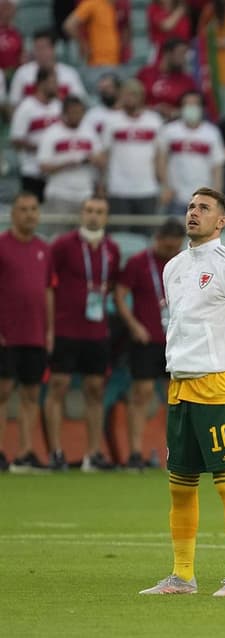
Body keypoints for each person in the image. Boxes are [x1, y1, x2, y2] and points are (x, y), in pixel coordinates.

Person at [138, 187, 225, 597]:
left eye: (204, 208)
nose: (194, 213)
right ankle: (182, 575)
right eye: (191, 206)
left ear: (221, 221)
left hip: (218, 382)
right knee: (180, 484)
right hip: (180, 385)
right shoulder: (173, 267)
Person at [46, 197, 121, 472]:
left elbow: (111, 283)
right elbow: (48, 285)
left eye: (99, 212)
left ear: (106, 216)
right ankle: (55, 452)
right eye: (89, 210)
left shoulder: (111, 249)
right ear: (82, 213)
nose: (93, 216)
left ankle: (93, 454)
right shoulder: (62, 245)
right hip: (66, 328)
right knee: (58, 386)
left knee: (95, 390)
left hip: (96, 330)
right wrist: (50, 327)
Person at [115, 218, 185, 470]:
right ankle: (135, 452)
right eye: (167, 247)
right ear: (158, 239)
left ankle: (175, 453)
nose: (171, 252)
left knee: (176, 397)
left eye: (175, 247)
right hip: (147, 339)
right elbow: (120, 295)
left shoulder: (182, 264)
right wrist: (134, 325)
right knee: (141, 394)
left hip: (176, 340)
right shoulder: (138, 263)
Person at [0, 194, 52, 473]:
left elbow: (47, 292)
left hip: (34, 335)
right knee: (3, 392)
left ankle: (24, 452)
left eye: (34, 209)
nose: (29, 214)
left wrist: (50, 329)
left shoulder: (44, 249)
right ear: (13, 214)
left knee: (31, 394)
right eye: (23, 209)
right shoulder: (1, 246)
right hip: (7, 334)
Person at [100, 79, 164, 222]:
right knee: (121, 235)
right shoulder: (111, 121)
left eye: (134, 94)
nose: (130, 98)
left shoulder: (154, 121)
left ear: (141, 96)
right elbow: (105, 154)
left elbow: (160, 155)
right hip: (118, 189)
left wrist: (164, 185)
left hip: (147, 189)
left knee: (147, 235)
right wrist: (102, 184)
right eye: (127, 94)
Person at [37, 97, 104, 227]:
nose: (77, 116)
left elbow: (102, 160)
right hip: (59, 193)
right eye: (74, 112)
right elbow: (43, 166)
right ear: (64, 113)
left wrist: (92, 159)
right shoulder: (52, 133)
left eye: (80, 112)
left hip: (85, 193)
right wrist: (68, 163)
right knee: (57, 236)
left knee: (84, 236)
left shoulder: (89, 132)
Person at [158, 91, 225, 215]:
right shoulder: (169, 130)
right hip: (175, 196)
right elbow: (161, 160)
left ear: (202, 108)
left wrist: (216, 194)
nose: (191, 108)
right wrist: (165, 187)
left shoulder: (212, 132)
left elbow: (217, 166)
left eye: (195, 104)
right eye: (187, 104)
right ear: (181, 108)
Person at [9, 67, 64, 199]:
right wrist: (43, 148)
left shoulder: (59, 106)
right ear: (41, 83)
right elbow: (16, 140)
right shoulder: (26, 107)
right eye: (53, 82)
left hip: (55, 172)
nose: (57, 86)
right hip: (32, 171)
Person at [9, 29, 87, 100]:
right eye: (37, 48)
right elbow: (14, 102)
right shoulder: (23, 72)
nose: (40, 52)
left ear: (54, 48)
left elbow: (79, 100)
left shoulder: (69, 73)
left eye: (44, 47)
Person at [138, 39, 198, 121]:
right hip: (146, 122)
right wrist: (154, 109)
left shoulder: (187, 81)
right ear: (168, 53)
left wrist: (175, 112)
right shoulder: (145, 74)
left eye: (185, 54)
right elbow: (132, 100)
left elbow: (194, 109)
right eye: (181, 53)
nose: (184, 59)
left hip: (175, 125)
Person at [62, 0, 121, 71]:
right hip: (98, 64)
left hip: (113, 63)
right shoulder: (92, 3)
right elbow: (69, 25)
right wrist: (82, 44)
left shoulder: (110, 7)